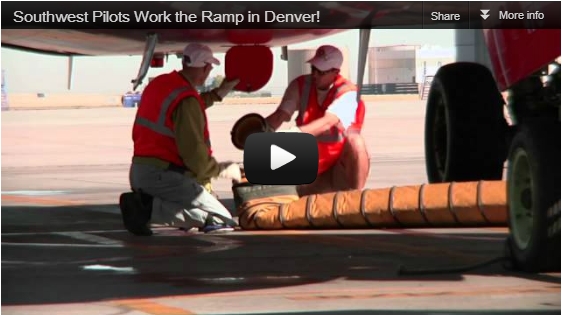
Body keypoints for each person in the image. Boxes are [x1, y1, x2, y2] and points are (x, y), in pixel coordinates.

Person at [119, 43, 242, 236]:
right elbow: (194, 155)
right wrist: (223, 170)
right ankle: (146, 209)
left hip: (141, 172)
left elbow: (190, 105)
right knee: (222, 219)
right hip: (163, 177)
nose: (209, 71)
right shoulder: (186, 99)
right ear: (205, 67)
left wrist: (220, 92)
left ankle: (151, 205)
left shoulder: (163, 84)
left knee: (198, 210)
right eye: (209, 67)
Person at [265, 45, 370, 197]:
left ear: (335, 72)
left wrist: (292, 134)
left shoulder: (348, 93)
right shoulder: (301, 85)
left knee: (356, 142)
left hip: (338, 172)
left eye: (321, 72)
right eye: (313, 69)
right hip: (308, 170)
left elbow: (327, 122)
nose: (315, 75)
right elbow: (280, 115)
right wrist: (260, 132)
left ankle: (356, 198)